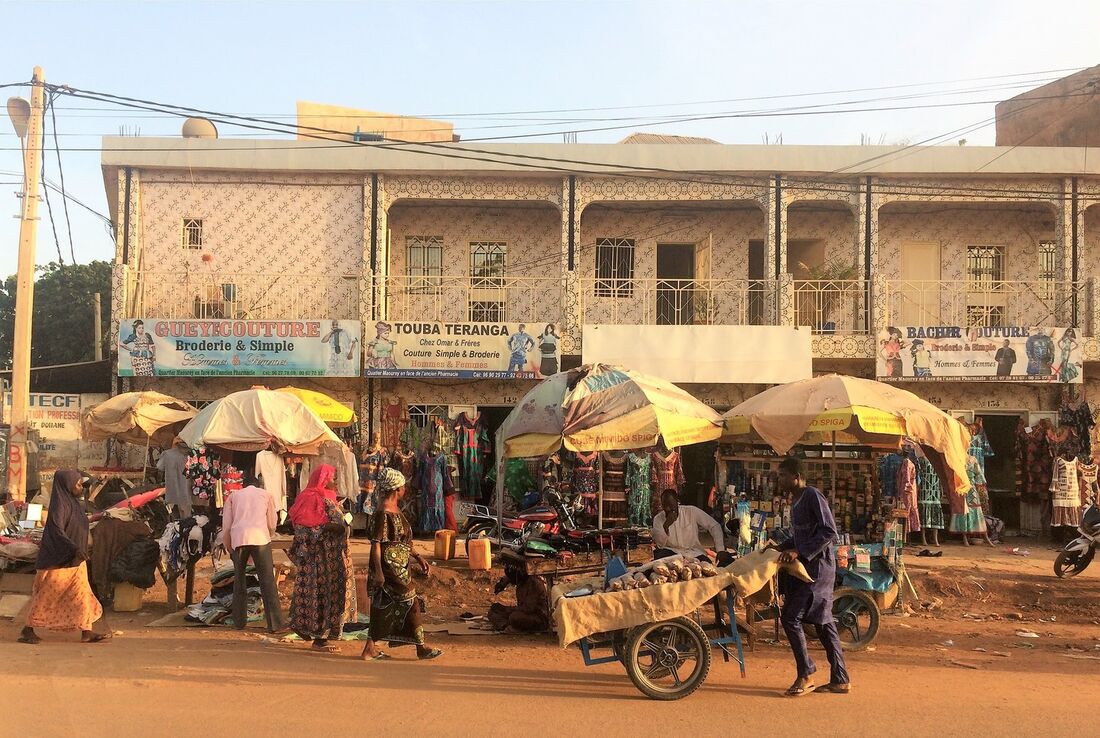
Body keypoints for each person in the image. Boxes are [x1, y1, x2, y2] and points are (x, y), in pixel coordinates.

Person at [775, 456, 849, 697]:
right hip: (809, 568)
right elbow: (800, 536)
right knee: (824, 623)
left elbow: (828, 530)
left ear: (796, 476)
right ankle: (840, 678)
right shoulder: (795, 501)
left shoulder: (812, 496)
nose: (780, 480)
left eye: (783, 475)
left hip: (817, 570)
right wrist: (778, 546)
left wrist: (800, 552)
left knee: (790, 618)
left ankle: (806, 674)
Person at [19, 470, 111, 644]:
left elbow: (78, 522)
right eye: (77, 484)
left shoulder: (74, 503)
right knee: (46, 596)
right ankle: (28, 629)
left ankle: (86, 631)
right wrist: (73, 548)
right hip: (58, 560)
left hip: (76, 560)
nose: (80, 488)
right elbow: (56, 531)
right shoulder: (60, 505)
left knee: (81, 594)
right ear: (67, 485)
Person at [360, 468, 443, 661]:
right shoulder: (382, 513)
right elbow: (376, 545)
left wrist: (418, 557)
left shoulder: (396, 510)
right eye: (403, 486)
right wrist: (379, 572)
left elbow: (404, 542)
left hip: (400, 566)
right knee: (411, 600)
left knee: (382, 606)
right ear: (396, 489)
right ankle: (420, 648)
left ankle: (369, 648)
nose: (405, 489)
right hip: (389, 567)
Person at [287, 465, 352, 653]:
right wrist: (330, 529)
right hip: (323, 560)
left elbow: (303, 528)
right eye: (333, 478)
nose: (335, 482)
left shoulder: (312, 498)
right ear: (324, 479)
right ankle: (320, 638)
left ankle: (306, 628)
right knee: (323, 595)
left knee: (311, 593)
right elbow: (307, 529)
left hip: (318, 559)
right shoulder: (319, 500)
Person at [221, 470, 285, 633]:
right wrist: (269, 533)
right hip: (260, 538)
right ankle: (275, 624)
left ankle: (239, 622)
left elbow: (227, 526)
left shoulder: (234, 496)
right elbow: (272, 522)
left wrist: (229, 545)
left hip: (239, 538)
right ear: (258, 485)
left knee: (239, 581)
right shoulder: (266, 495)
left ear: (242, 485)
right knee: (267, 581)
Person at [651, 489, 726, 562]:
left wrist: (720, 549)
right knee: (658, 556)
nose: (668, 509)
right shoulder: (658, 518)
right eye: (665, 506)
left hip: (693, 553)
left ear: (677, 502)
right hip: (671, 553)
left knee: (707, 564)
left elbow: (714, 526)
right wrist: (666, 526)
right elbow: (660, 545)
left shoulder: (691, 511)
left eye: (671, 505)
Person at [487, 562, 550, 634]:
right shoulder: (521, 581)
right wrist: (503, 583)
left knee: (514, 617)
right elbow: (508, 578)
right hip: (524, 613)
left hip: (538, 617)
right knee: (493, 611)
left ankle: (509, 625)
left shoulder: (534, 583)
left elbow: (529, 608)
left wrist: (509, 610)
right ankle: (506, 626)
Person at [157, 437, 193, 519]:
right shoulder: (192, 455)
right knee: (186, 516)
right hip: (186, 490)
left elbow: (160, 467)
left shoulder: (167, 454)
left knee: (173, 515)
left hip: (172, 489)